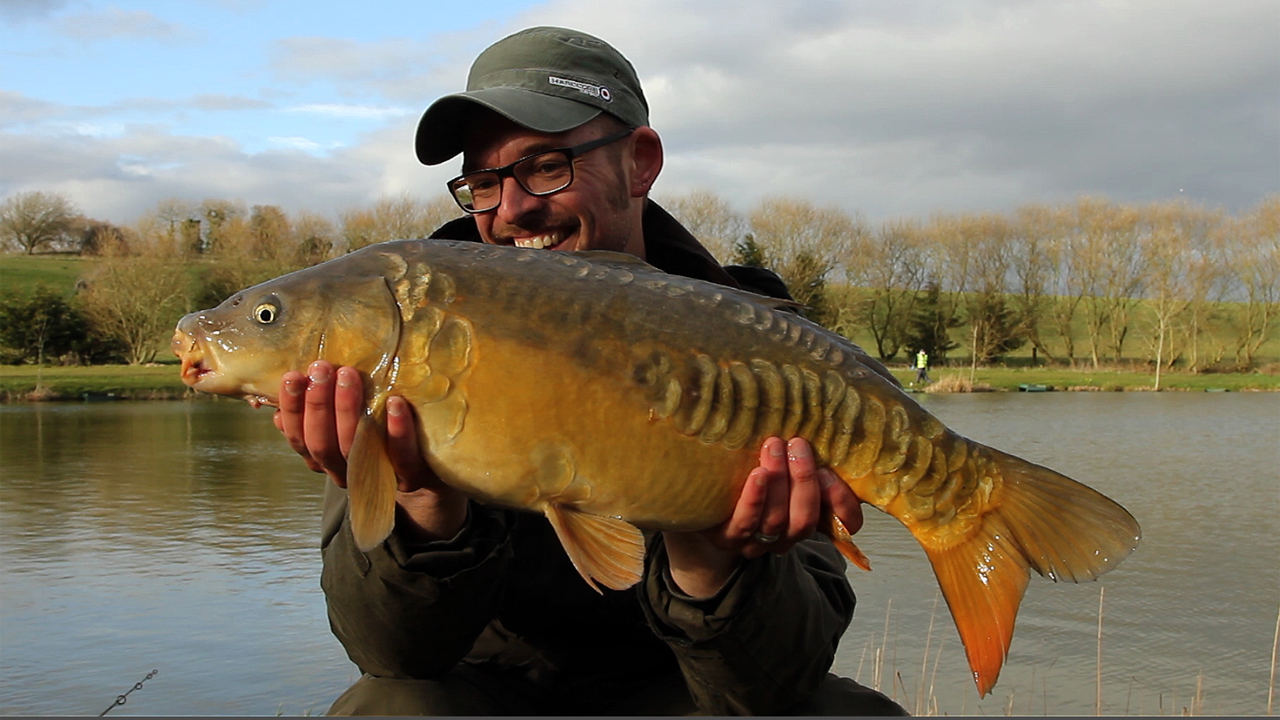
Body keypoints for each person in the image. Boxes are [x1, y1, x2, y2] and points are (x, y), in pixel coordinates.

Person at [273, 26, 908, 716]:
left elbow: (773, 684)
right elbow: (393, 656)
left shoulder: (761, 349)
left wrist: (709, 563)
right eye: (483, 184)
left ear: (640, 163)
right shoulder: (414, 328)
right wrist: (425, 507)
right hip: (488, 692)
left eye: (548, 165)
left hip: (680, 686)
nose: (514, 209)